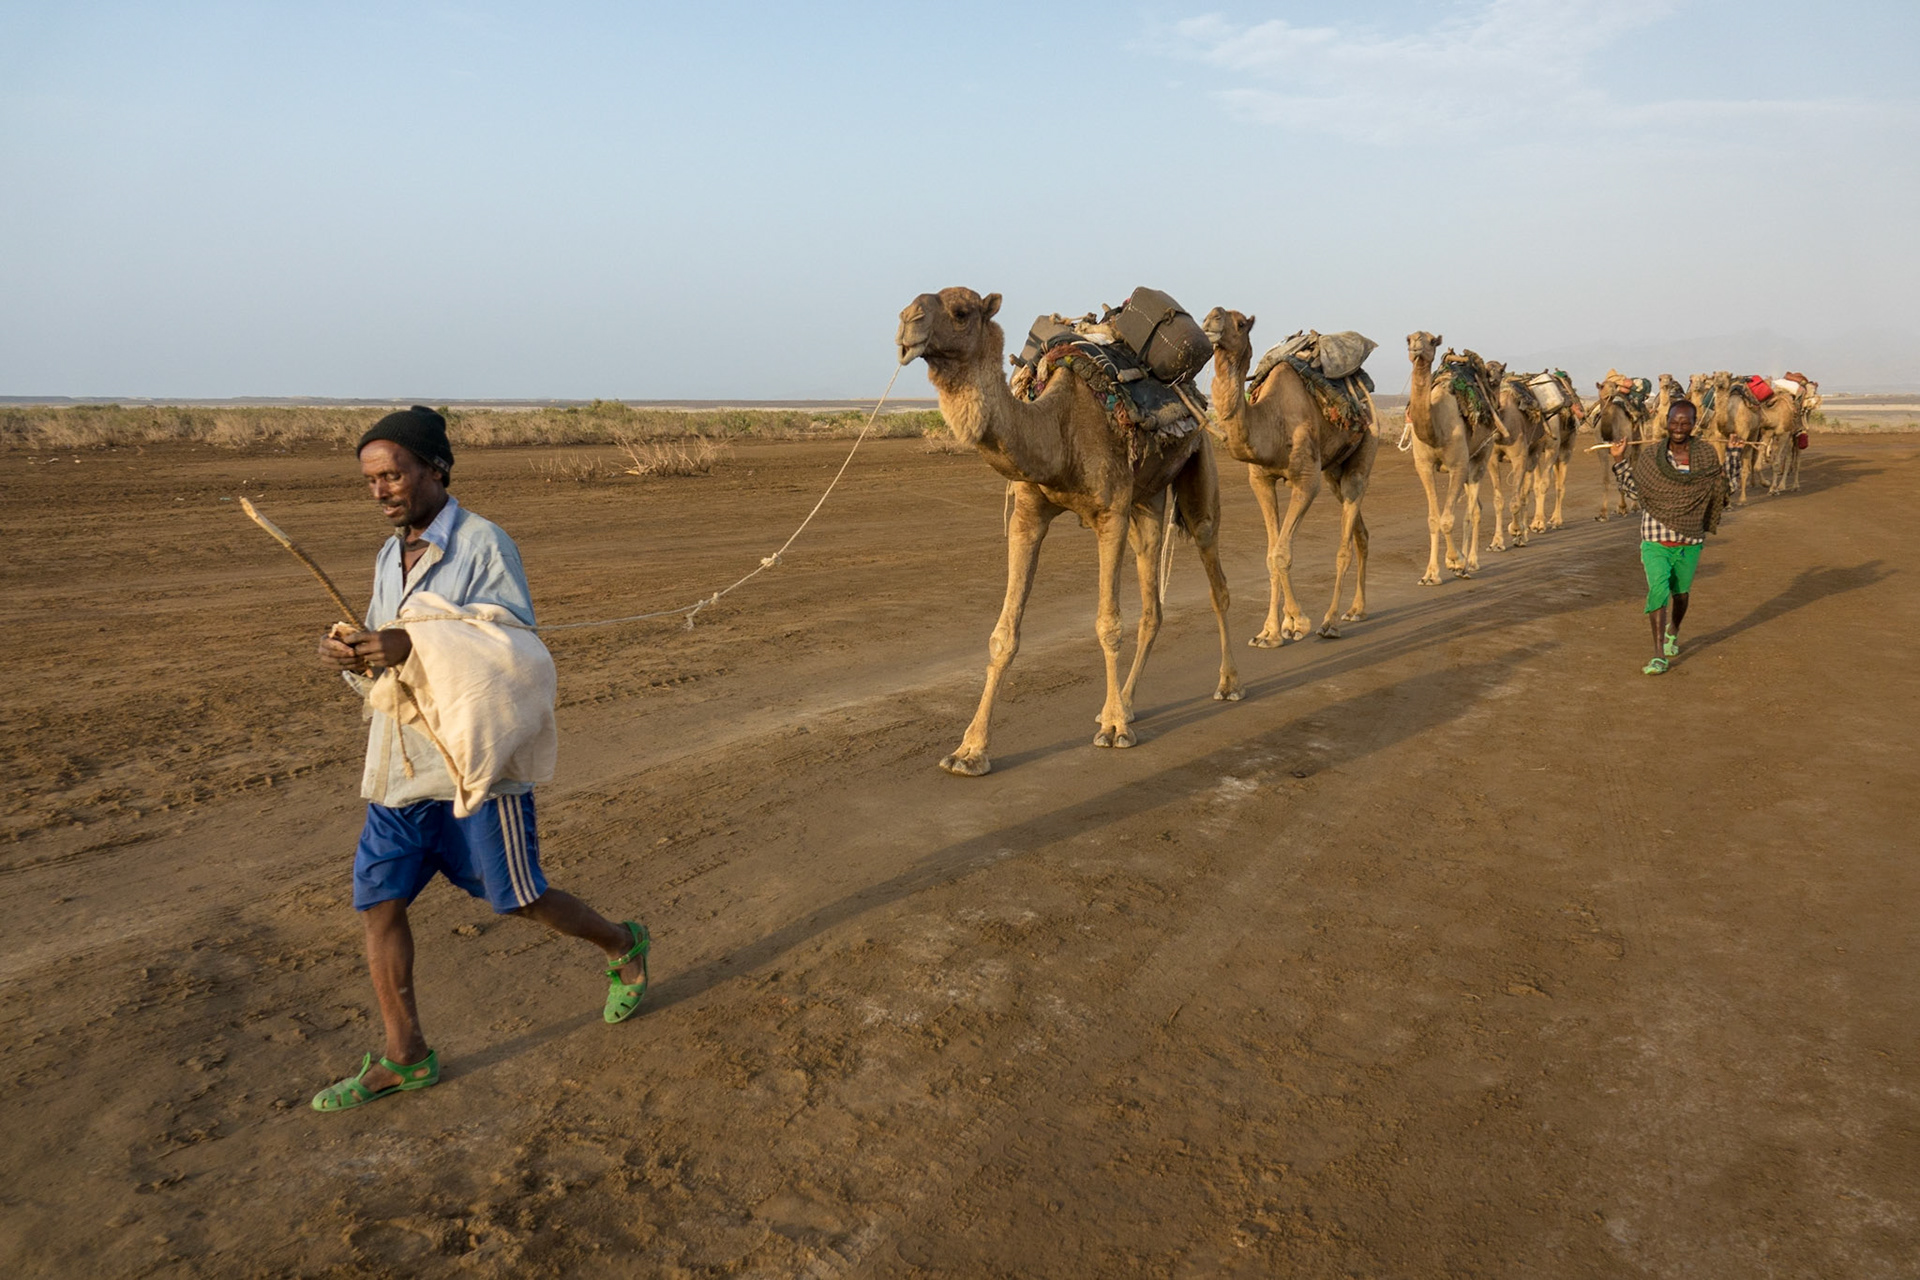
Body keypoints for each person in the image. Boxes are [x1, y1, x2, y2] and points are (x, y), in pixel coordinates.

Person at [310, 405, 650, 1112]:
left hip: (473, 767)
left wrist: (413, 645)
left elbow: (516, 660)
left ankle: (622, 944)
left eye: (393, 474)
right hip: (403, 769)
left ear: (435, 468)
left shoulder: (485, 544)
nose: (380, 490)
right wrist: (355, 656)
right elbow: (389, 667)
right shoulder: (387, 556)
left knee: (518, 898)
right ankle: (406, 1056)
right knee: (379, 905)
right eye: (370, 480)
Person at [1608, 398, 1741, 674]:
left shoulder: (1704, 455)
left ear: (1694, 425)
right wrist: (1619, 460)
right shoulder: (1651, 455)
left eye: (1685, 422)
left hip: (1690, 539)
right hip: (1654, 537)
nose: (1678, 427)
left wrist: (1733, 455)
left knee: (1680, 595)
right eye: (1674, 421)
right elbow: (1635, 491)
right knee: (1658, 591)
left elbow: (1723, 488)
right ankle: (1659, 655)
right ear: (1666, 422)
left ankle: (1674, 629)